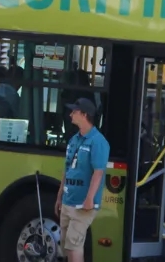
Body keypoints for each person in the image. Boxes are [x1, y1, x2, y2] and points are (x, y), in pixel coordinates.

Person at [56, 98, 110, 262]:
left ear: (85, 115)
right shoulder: (74, 139)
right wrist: (59, 197)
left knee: (74, 245)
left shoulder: (98, 142)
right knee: (66, 246)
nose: (71, 114)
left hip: (83, 204)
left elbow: (98, 173)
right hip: (68, 200)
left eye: (75, 111)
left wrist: (89, 199)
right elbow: (67, 170)